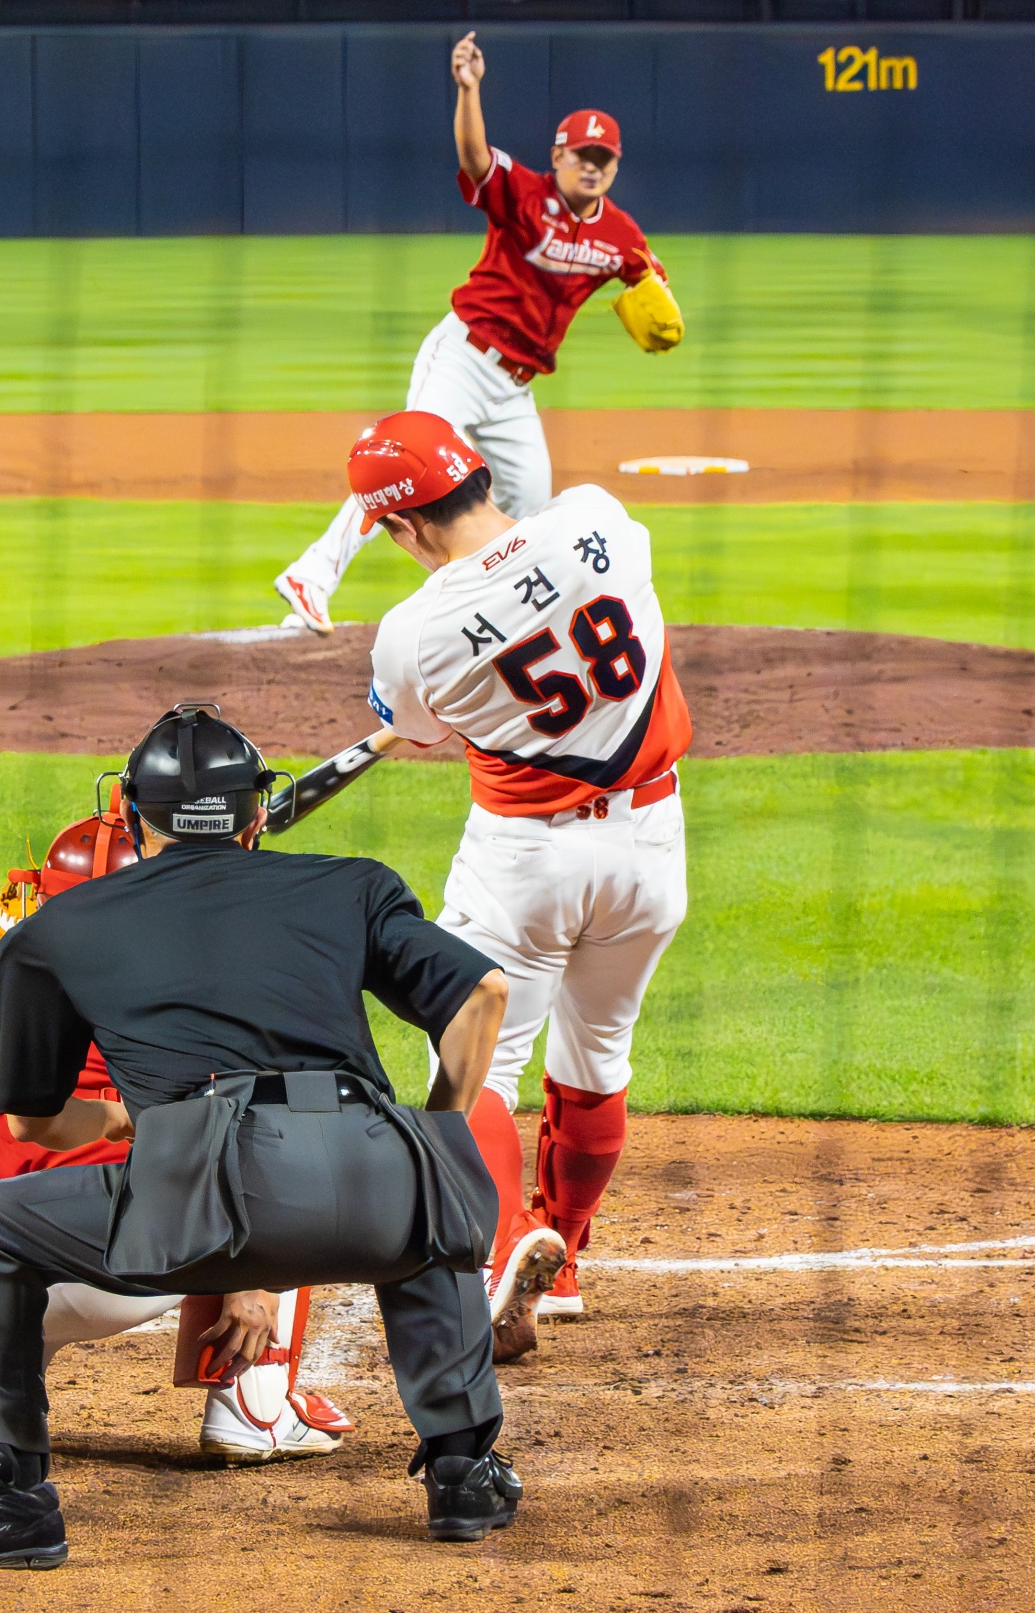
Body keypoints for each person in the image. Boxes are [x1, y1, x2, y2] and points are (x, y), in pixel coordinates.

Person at [0, 705, 520, 1567]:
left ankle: (5, 1497)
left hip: (206, 1200)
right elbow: (484, 995)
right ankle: (465, 1471)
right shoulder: (354, 885)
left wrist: (125, 1119)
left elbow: (33, 1121)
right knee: (428, 1209)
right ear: (257, 814)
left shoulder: (59, 928)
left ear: (133, 813)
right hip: (373, 1168)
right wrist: (433, 1139)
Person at [0, 799, 355, 1481]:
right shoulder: (176, 975)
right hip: (94, 1262)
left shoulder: (9, 956)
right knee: (301, 1139)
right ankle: (254, 1410)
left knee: (13, 1275)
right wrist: (260, 1276)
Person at [354, 410, 692, 1359]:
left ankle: (504, 1248)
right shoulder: (598, 519)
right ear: (481, 477)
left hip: (524, 863)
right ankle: (564, 1257)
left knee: (476, 1059)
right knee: (599, 1055)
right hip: (651, 850)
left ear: (401, 526)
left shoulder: (413, 633)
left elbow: (418, 726)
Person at [272, 30, 676, 636]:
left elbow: (649, 278)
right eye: (581, 156)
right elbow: (475, 159)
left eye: (603, 159)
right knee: (405, 468)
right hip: (462, 357)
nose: (592, 167)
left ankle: (506, 614)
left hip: (516, 387)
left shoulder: (621, 233)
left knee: (532, 504)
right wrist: (469, 90)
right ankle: (312, 576)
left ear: (616, 166)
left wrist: (659, 302)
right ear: (558, 157)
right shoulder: (526, 196)